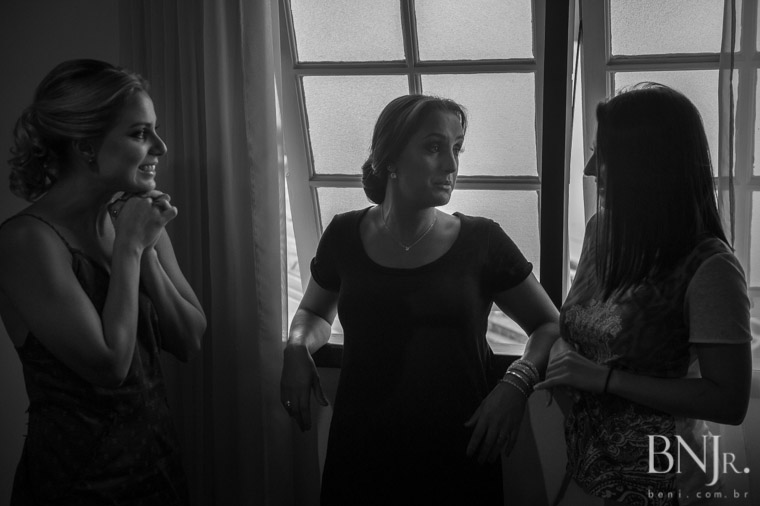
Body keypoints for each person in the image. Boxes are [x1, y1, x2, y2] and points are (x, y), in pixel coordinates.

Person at [280, 94, 560, 505]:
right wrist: (296, 345)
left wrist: (515, 384)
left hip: (459, 449)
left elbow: (549, 324)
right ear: (390, 158)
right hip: (361, 452)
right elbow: (314, 312)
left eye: (457, 148)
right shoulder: (343, 234)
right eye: (434, 147)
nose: (451, 164)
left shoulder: (482, 240)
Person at [0, 59, 207, 505]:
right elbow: (110, 366)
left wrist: (145, 251)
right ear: (86, 147)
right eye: (140, 133)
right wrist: (130, 247)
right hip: (77, 484)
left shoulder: (135, 219)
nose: (161, 147)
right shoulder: (26, 242)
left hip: (160, 469)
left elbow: (190, 339)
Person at [535, 83, 753, 505]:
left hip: (668, 480)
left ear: (647, 166)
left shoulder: (710, 269)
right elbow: (583, 326)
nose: (590, 169)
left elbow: (729, 401)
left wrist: (606, 380)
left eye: (604, 155)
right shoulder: (601, 231)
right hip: (589, 469)